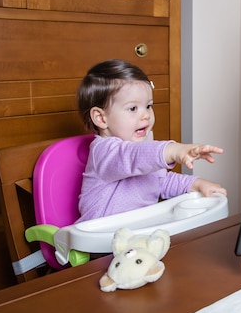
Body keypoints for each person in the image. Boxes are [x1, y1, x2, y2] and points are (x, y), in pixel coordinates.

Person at [76, 59, 226, 222]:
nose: (146, 115)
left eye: (148, 106)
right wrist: (173, 150)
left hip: (139, 236)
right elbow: (132, 157)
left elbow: (160, 181)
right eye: (133, 108)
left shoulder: (144, 152)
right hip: (98, 241)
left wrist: (196, 184)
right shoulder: (103, 152)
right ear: (101, 118)